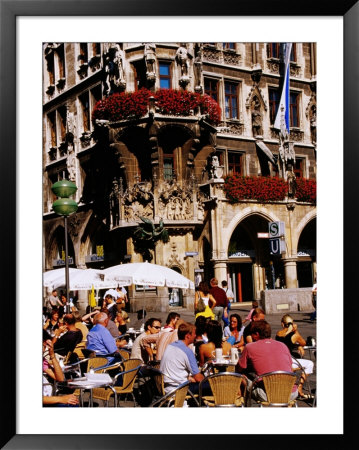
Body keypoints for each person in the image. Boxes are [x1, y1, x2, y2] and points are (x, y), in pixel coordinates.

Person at [236, 320, 298, 402]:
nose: (251, 336)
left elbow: (240, 368)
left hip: (268, 395)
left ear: (257, 334)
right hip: (290, 393)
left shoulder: (249, 347)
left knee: (240, 376)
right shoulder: (282, 345)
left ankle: (243, 405)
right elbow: (290, 367)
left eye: (252, 334)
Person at [275, 314, 314, 399]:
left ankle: (292, 385)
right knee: (310, 364)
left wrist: (298, 346)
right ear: (292, 323)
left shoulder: (278, 334)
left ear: (282, 324)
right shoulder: (294, 335)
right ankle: (299, 387)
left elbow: (286, 343)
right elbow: (303, 343)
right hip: (289, 362)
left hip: (279, 361)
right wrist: (296, 331)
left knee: (296, 358)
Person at [160, 322, 204, 394]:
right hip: (179, 388)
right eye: (194, 334)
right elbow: (199, 378)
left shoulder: (170, 346)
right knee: (211, 385)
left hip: (166, 386)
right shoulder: (187, 351)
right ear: (188, 336)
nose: (195, 336)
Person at [43, 336, 79, 407]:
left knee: (73, 403)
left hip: (49, 397)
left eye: (45, 346)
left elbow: (60, 378)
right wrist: (61, 399)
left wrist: (52, 356)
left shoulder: (43, 361)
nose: (44, 348)